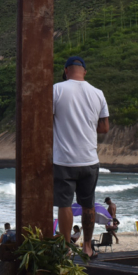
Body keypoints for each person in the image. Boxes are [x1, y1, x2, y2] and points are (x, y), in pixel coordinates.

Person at [52, 56, 109, 258]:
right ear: (84, 72)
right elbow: (104, 127)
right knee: (88, 204)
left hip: (64, 160)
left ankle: (66, 248)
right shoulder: (98, 93)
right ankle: (87, 247)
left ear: (66, 70)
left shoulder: (56, 89)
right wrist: (87, 126)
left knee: (65, 204)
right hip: (89, 160)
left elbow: (46, 119)